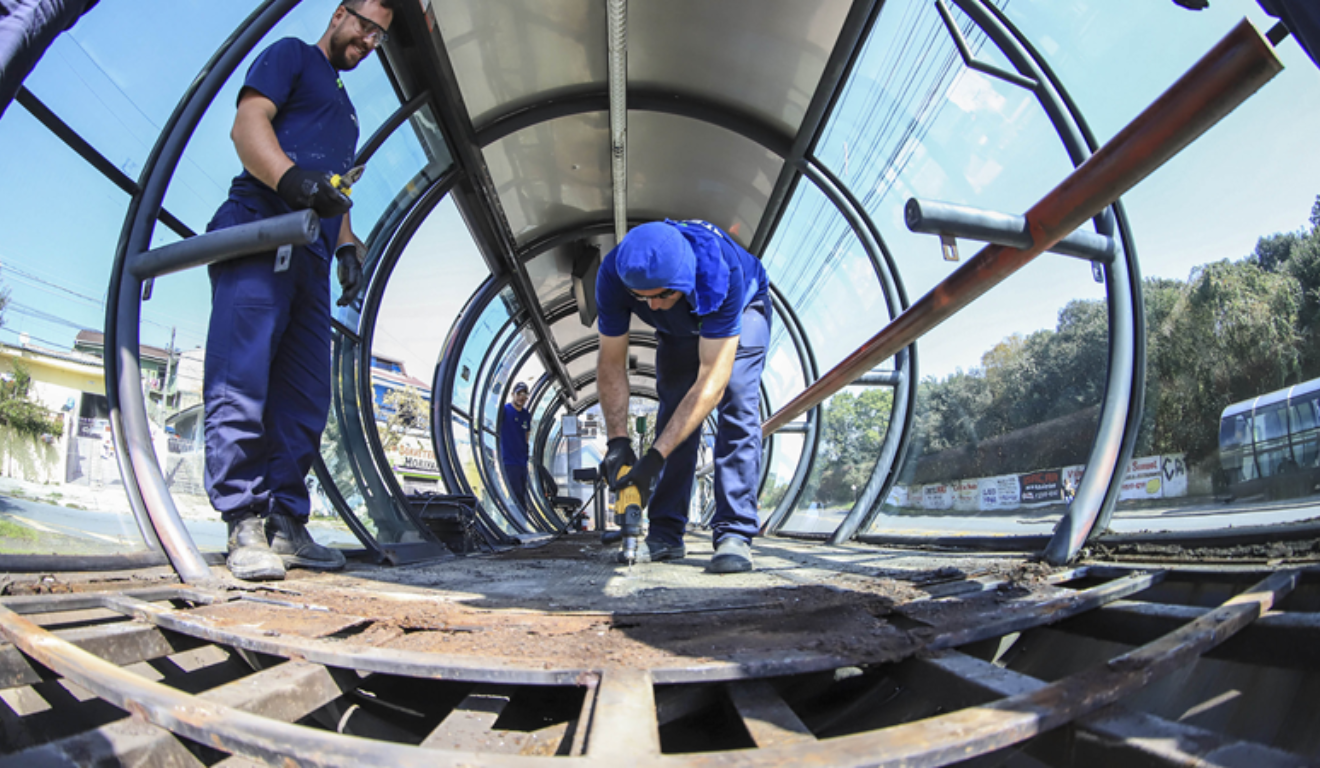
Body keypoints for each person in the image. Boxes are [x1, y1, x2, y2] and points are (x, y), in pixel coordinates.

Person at [204, 0, 397, 581]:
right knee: (242, 378)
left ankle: (286, 521)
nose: (367, 40)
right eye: (364, 24)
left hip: (311, 255)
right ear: (339, 14)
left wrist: (346, 246)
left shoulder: (349, 115)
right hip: (261, 226)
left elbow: (336, 193)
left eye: (379, 37)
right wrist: (291, 179)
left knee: (307, 396)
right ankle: (243, 520)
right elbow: (249, 123)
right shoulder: (291, 55)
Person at [595, 219, 770, 573]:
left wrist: (655, 459)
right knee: (674, 407)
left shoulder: (721, 271)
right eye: (642, 299)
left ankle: (734, 532)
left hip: (742, 311)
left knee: (736, 398)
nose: (654, 307)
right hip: (679, 329)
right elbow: (611, 362)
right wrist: (618, 442)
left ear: (684, 277)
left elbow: (711, 381)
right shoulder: (612, 274)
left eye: (663, 295)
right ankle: (665, 534)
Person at [500, 381, 532, 509]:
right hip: (509, 460)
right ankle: (516, 524)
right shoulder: (505, 411)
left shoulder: (526, 415)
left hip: (521, 462)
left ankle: (522, 523)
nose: (521, 397)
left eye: (524, 394)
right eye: (519, 393)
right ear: (513, 394)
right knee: (515, 494)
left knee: (522, 493)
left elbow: (527, 434)